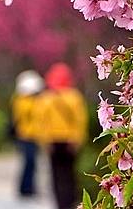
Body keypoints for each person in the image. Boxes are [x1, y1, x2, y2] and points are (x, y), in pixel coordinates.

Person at [38, 63, 88, 209]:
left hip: (52, 141)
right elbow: (80, 119)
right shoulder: (74, 97)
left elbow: (41, 122)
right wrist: (77, 138)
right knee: (70, 173)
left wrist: (44, 141)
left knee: (56, 174)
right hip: (70, 141)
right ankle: (71, 202)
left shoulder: (46, 98)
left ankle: (60, 203)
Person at [11, 70, 44, 197]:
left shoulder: (34, 100)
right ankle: (25, 187)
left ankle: (29, 187)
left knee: (32, 163)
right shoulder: (21, 101)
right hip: (25, 135)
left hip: (34, 135)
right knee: (29, 162)